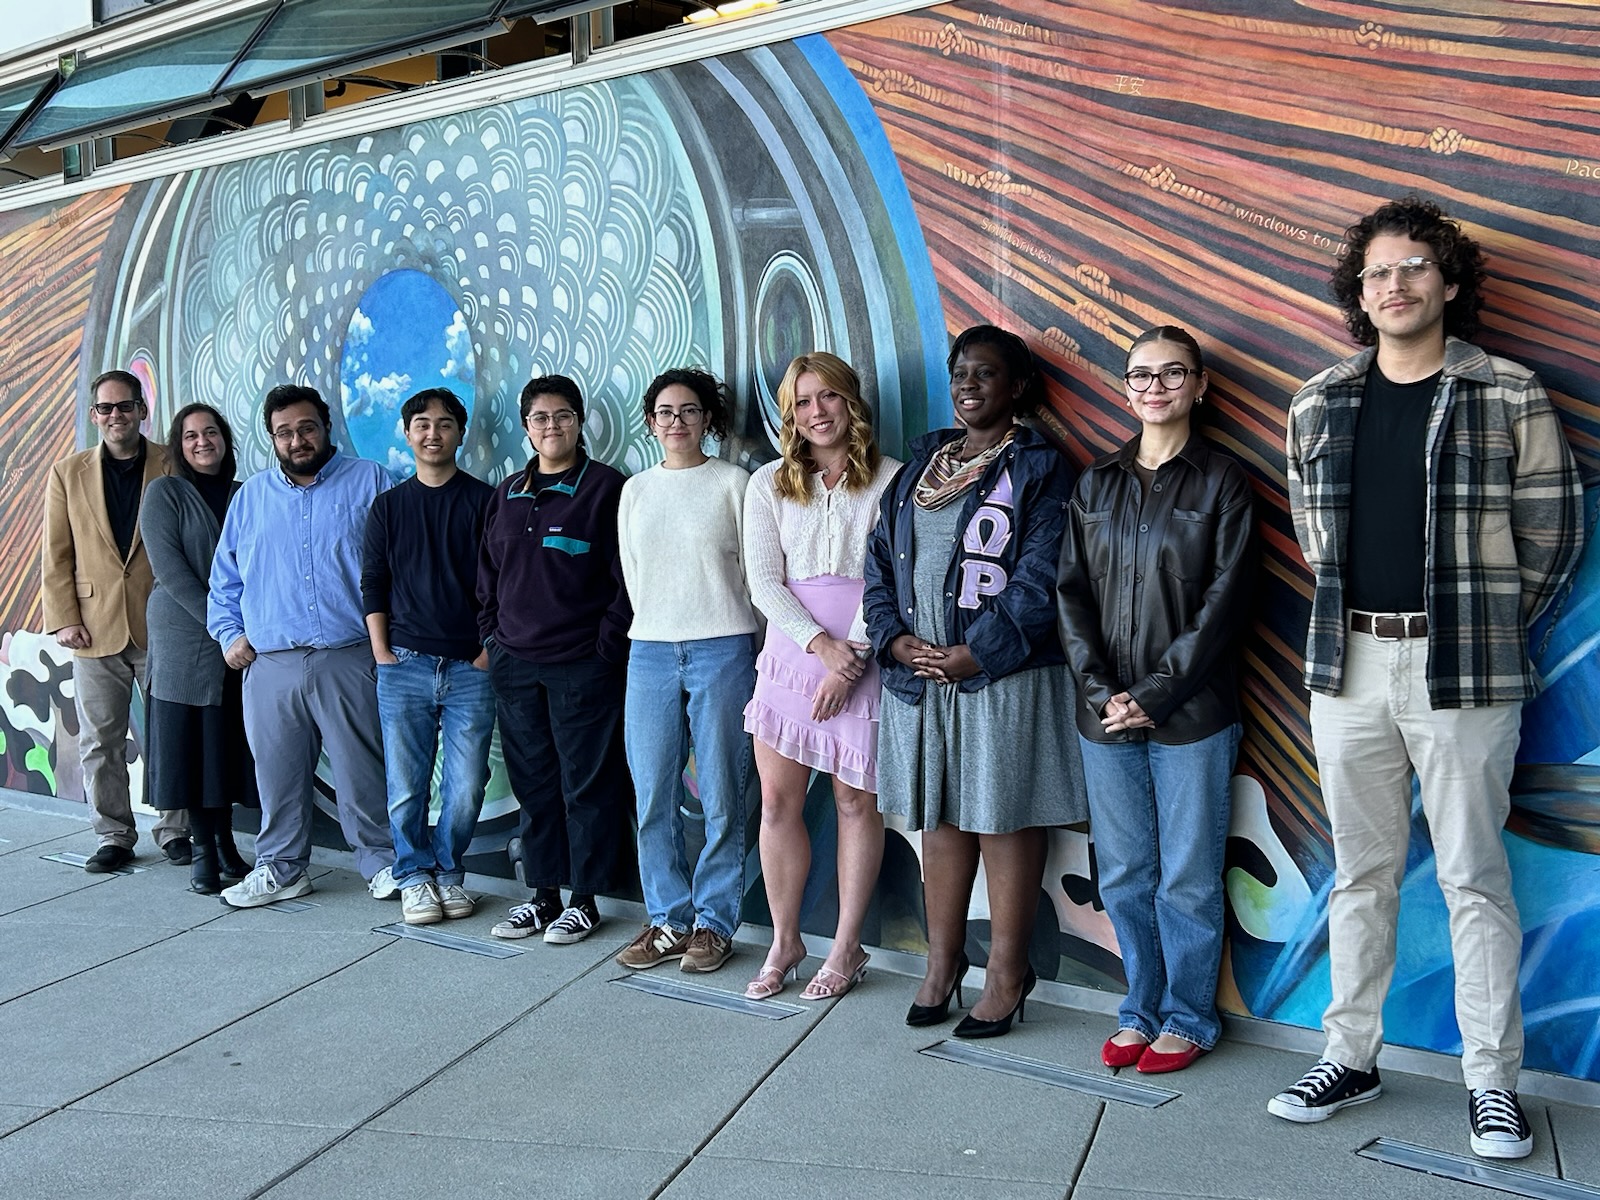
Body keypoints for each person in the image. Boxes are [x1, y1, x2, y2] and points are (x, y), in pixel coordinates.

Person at [1272, 197, 1583, 1160]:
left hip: (1465, 666)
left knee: (1471, 879)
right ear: (1357, 294)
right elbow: (1315, 534)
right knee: (1360, 874)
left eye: (1412, 268)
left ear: (1449, 282)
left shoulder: (1509, 392)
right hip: (1348, 663)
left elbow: (1553, 535)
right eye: (1375, 273)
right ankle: (1351, 1056)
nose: (1393, 285)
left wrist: (1480, 622)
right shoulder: (1318, 400)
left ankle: (1493, 1084)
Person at [865, 325, 1086, 1036]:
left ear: (1016, 387)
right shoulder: (920, 465)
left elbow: (1042, 576)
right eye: (961, 373)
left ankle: (1007, 973)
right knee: (943, 814)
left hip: (1003, 675)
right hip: (921, 675)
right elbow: (877, 563)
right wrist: (893, 640)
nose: (968, 385)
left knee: (1002, 814)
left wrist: (977, 653)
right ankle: (942, 963)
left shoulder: (1042, 468)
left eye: (986, 374)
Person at [1055, 326, 1255, 1073]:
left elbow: (1226, 601)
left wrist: (1158, 691)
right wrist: (1104, 691)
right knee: (1126, 873)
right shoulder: (1096, 483)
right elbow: (1069, 595)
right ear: (1125, 386)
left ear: (1200, 385)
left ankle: (1191, 1018)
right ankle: (1139, 1008)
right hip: (1104, 715)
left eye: (1174, 373)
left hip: (1193, 716)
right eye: (1143, 374)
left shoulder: (1224, 483)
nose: (1156, 386)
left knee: (1188, 877)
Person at [739, 353, 900, 1002]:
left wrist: (851, 654)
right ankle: (785, 940)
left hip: (864, 654)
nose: (817, 412)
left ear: (850, 402)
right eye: (803, 402)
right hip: (791, 654)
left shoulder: (890, 480)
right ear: (790, 414)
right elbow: (763, 580)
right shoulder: (768, 483)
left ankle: (846, 946)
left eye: (828, 397)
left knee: (854, 802)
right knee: (777, 802)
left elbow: (889, 575)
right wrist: (818, 646)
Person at [207, 384, 398, 907]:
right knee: (278, 776)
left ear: (326, 426)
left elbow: (399, 563)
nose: (297, 439)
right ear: (272, 438)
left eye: (306, 427)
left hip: (350, 656)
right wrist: (229, 635)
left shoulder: (372, 482)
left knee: (362, 772)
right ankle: (283, 868)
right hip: (271, 663)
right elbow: (225, 580)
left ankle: (382, 864)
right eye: (285, 432)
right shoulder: (250, 499)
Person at [613, 368, 758, 975]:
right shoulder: (636, 490)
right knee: (652, 793)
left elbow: (754, 570)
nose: (677, 421)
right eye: (666, 411)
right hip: (648, 649)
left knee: (724, 790)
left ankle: (715, 921)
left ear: (708, 420)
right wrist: (660, 622)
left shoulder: (734, 484)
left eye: (689, 410)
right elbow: (633, 572)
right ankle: (668, 918)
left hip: (723, 644)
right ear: (651, 423)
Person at [481, 375, 632, 945]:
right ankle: (543, 896)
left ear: (580, 421)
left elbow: (626, 578)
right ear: (526, 427)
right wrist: (492, 639)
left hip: (582, 663)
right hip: (516, 664)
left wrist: (604, 647)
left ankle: (586, 900)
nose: (553, 427)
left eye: (563, 416)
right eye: (541, 418)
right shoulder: (506, 493)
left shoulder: (606, 488)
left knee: (585, 785)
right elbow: (487, 578)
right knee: (534, 783)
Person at [41, 370, 187, 871]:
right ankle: (114, 835)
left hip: (163, 622)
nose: (115, 416)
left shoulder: (173, 462)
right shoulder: (67, 473)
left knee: (171, 730)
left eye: (124, 406)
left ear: (142, 410)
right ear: (93, 415)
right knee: (99, 739)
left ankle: (175, 831)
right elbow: (56, 553)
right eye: (105, 408)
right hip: (93, 625)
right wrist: (63, 618)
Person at [361, 388, 496, 926]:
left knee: (465, 788)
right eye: (422, 424)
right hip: (404, 665)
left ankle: (447, 869)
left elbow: (502, 583)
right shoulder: (389, 506)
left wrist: (487, 652)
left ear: (460, 433)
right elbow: (374, 581)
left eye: (444, 424)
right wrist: (382, 652)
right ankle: (413, 876)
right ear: (407, 432)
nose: (432, 433)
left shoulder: (485, 502)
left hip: (470, 669)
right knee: (406, 786)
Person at [141, 404, 257, 893]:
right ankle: (202, 854)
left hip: (235, 644)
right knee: (190, 750)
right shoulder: (165, 492)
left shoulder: (244, 494)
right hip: (185, 638)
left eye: (210, 432)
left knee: (223, 749)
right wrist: (223, 625)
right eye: (190, 436)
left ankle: (227, 844)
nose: (202, 442)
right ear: (178, 445)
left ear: (225, 439)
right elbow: (170, 571)